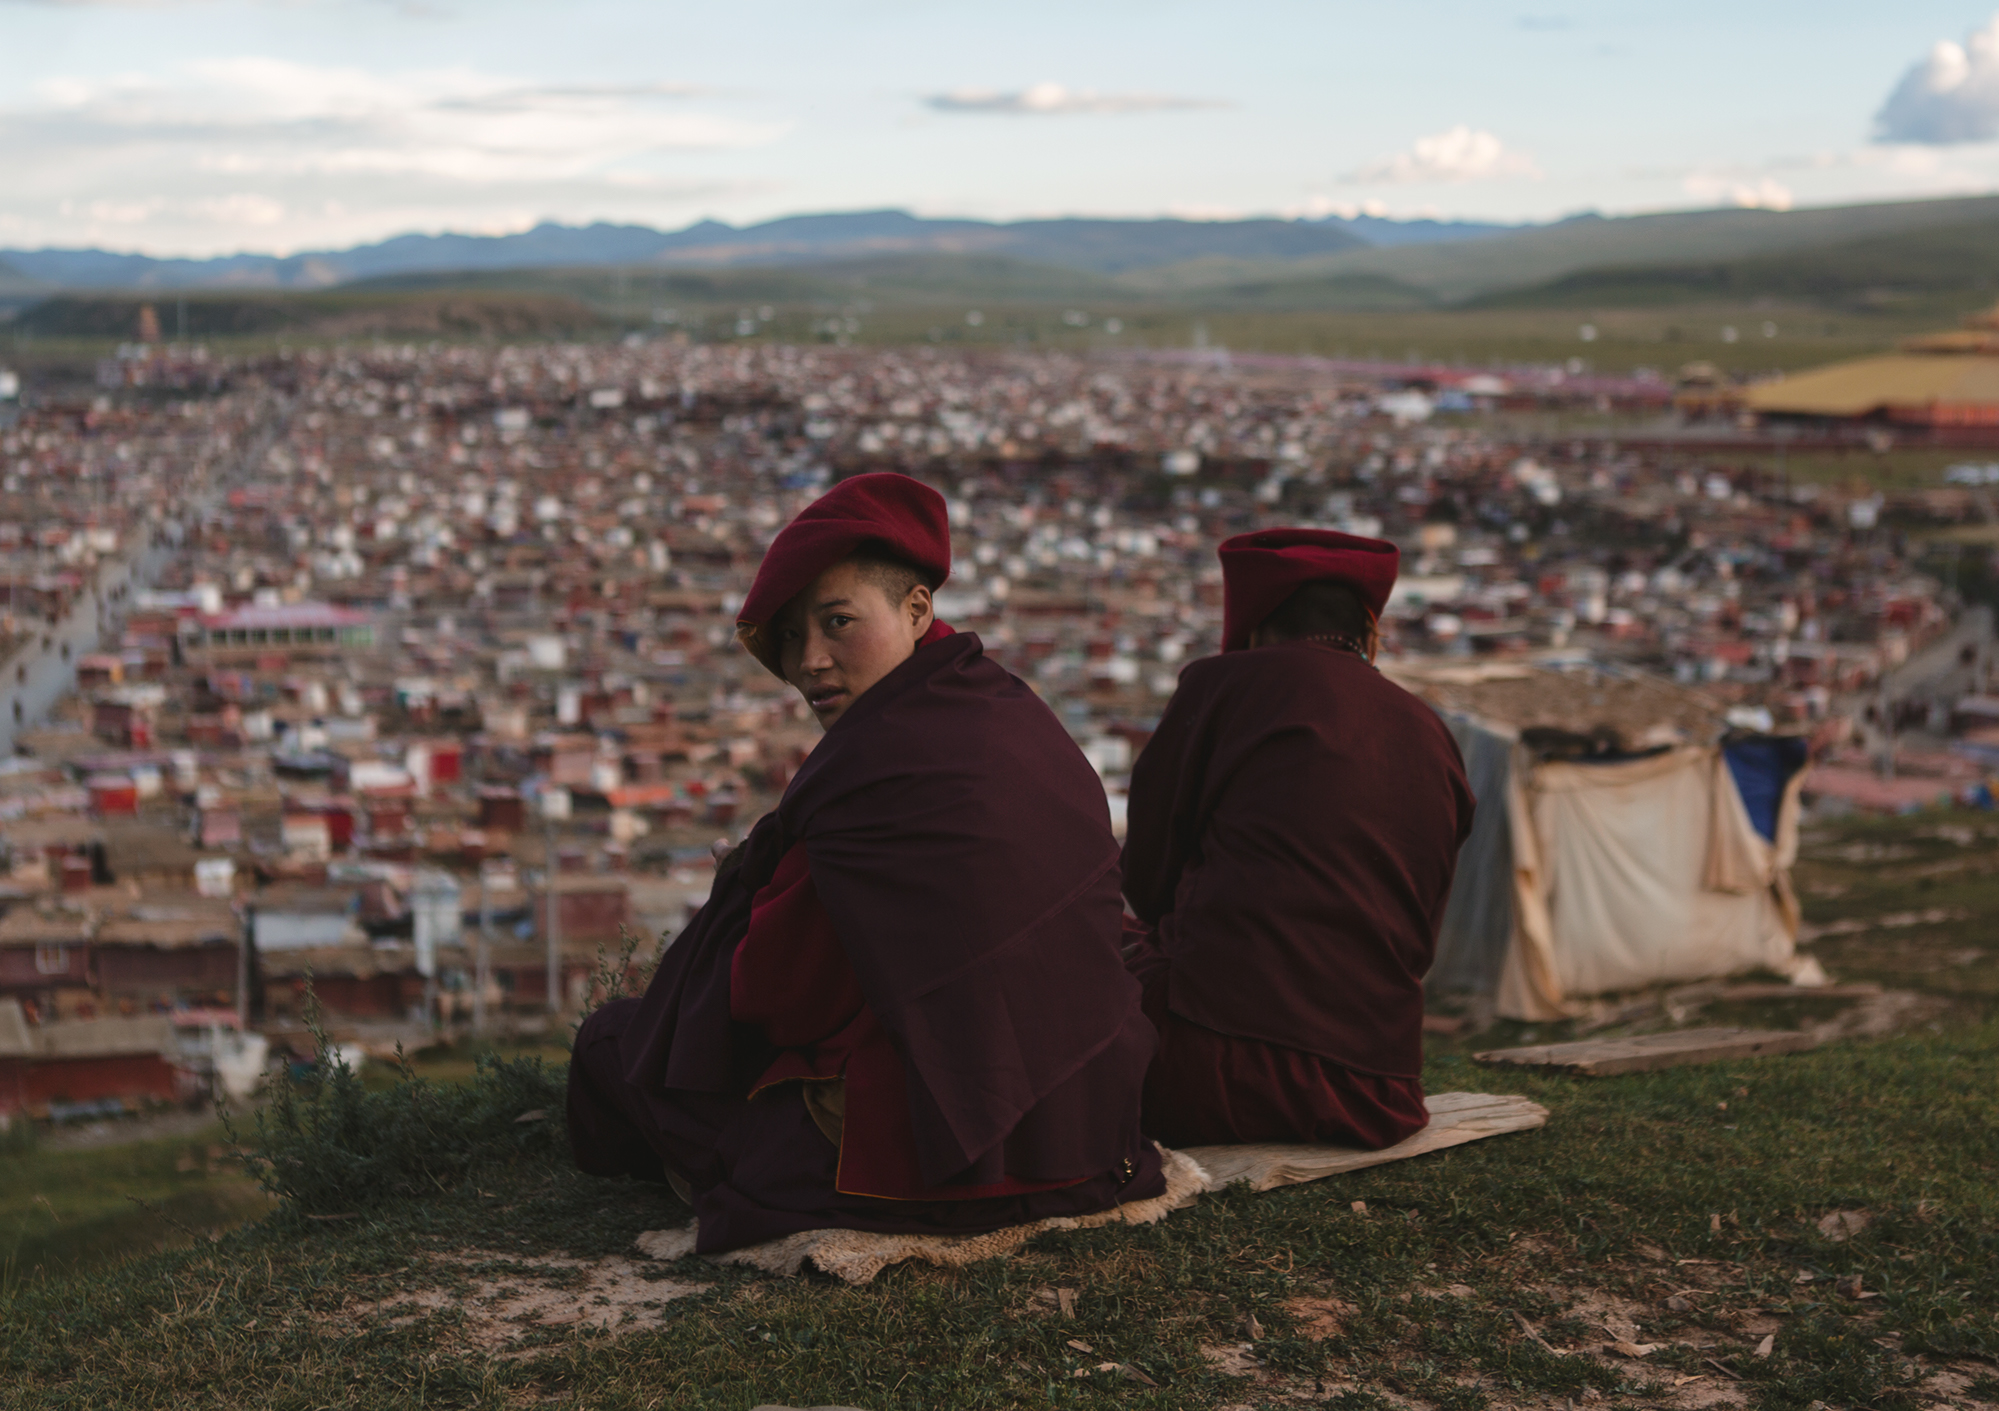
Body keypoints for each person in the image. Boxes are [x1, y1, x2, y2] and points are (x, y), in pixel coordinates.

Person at [566, 472, 1164, 1252]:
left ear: (917, 610)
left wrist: (750, 888)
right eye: (789, 636)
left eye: (838, 622)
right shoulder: (1013, 712)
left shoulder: (870, 768)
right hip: (1091, 1138)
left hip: (952, 1168)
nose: (810, 660)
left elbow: (776, 997)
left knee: (616, 1046)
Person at [1122, 527, 1471, 1149]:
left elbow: (1146, 881)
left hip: (1206, 1074)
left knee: (1077, 930)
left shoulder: (1223, 686)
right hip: (1377, 1091)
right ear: (1369, 636)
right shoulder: (1431, 731)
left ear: (1253, 630)